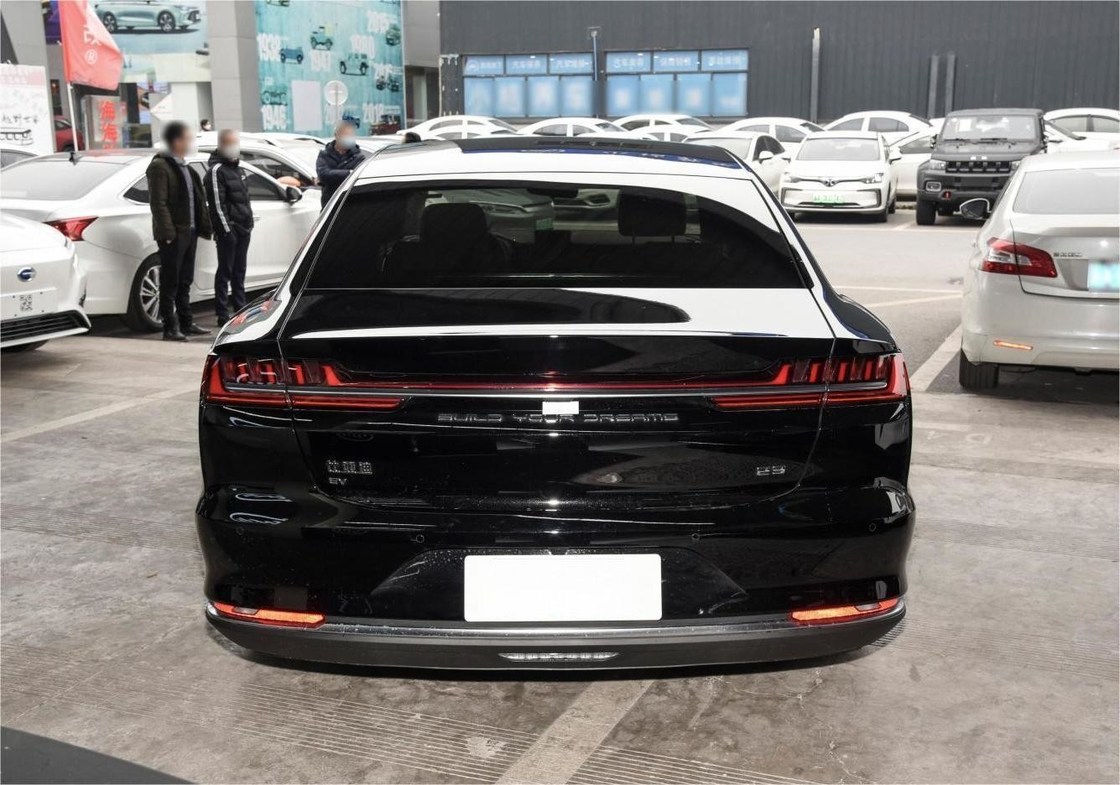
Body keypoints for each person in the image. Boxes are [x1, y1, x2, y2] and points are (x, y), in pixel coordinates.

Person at [146, 121, 212, 341]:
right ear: (176, 141)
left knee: (185, 280)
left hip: (190, 231)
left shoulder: (186, 167)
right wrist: (168, 233)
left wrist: (202, 226)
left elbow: (197, 201)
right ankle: (170, 327)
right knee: (170, 281)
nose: (190, 143)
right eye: (187, 139)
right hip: (173, 234)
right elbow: (158, 203)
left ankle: (186, 322)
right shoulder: (160, 167)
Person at [204, 129, 254, 325]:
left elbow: (245, 199)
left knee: (239, 272)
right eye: (230, 143)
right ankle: (222, 313)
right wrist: (226, 230)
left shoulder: (238, 169)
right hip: (229, 231)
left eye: (236, 143)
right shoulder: (216, 171)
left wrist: (248, 223)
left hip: (243, 229)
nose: (234, 147)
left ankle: (240, 309)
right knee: (225, 271)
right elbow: (217, 205)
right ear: (221, 145)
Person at [315, 121, 363, 208]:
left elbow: (358, 177)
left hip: (350, 205)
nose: (349, 138)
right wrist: (350, 172)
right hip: (329, 205)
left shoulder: (359, 157)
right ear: (337, 135)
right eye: (346, 135)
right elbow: (323, 175)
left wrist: (332, 174)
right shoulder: (324, 154)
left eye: (351, 135)